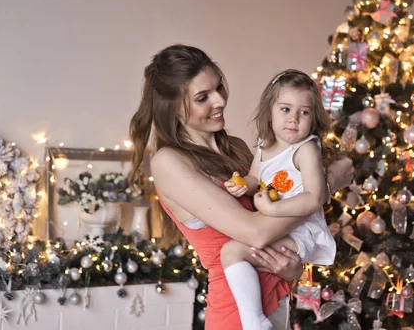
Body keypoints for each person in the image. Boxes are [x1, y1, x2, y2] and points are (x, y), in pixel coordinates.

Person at [129, 45, 353, 330]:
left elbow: (278, 221)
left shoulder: (238, 148)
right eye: (203, 97)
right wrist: (326, 182)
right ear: (173, 107)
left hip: (276, 300)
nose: (220, 101)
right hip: (236, 313)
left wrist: (293, 267)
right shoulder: (168, 161)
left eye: (219, 87)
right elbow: (255, 232)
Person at [221, 69, 337, 330]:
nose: (294, 118)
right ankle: (257, 319)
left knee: (232, 250)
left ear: (313, 118)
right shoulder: (264, 145)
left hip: (303, 231)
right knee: (235, 251)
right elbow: (255, 179)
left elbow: (315, 197)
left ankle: (254, 322)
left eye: (304, 112)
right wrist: (242, 185)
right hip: (276, 223)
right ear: (269, 110)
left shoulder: (305, 149)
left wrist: (272, 209)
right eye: (285, 109)